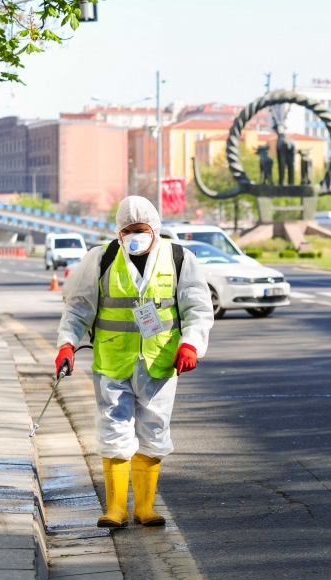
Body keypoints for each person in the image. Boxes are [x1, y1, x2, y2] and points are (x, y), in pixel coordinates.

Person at [55, 196, 214, 528]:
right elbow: (78, 306)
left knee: (154, 430)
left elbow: (197, 307)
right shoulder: (101, 258)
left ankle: (145, 507)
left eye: (140, 230)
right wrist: (67, 345)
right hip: (113, 360)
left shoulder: (179, 258)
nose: (134, 236)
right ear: (118, 231)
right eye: (127, 230)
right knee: (113, 428)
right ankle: (115, 509)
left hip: (160, 360)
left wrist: (191, 345)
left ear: (154, 228)